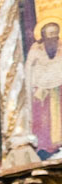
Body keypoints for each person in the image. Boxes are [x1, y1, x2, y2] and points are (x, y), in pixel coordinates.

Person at [28, 19, 62, 157]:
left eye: (55, 34)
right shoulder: (36, 50)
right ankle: (45, 147)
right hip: (42, 91)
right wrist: (33, 86)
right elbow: (29, 69)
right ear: (43, 36)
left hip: (59, 88)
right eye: (50, 34)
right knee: (44, 120)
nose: (53, 38)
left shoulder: (60, 47)